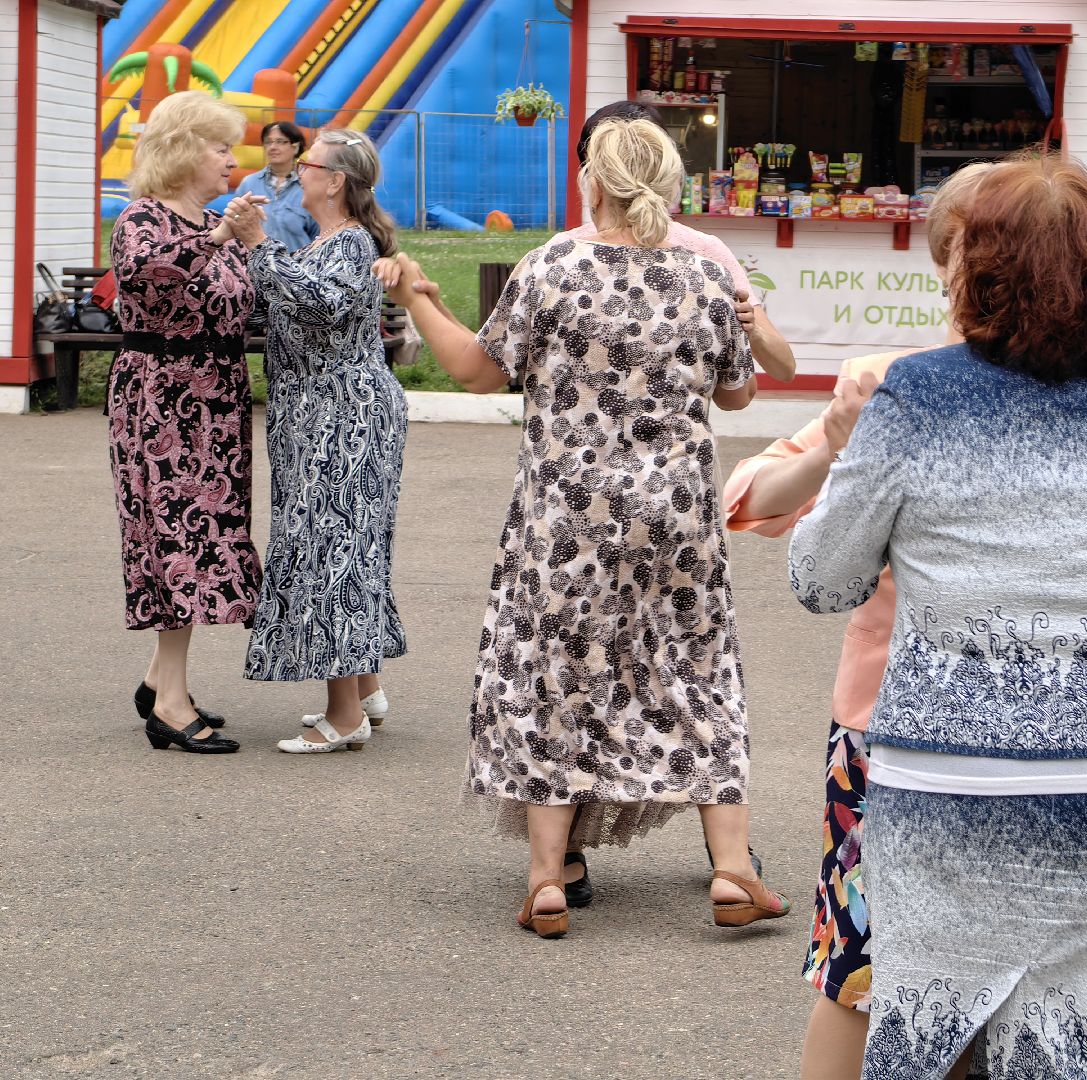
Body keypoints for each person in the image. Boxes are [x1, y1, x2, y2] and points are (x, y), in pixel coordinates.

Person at [727, 162, 1087, 1080]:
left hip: (958, 783)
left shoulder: (917, 399)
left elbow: (823, 581)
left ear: (974, 270)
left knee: (926, 1031)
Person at [377, 117, 790, 938]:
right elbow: (738, 395)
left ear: (590, 182)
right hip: (676, 512)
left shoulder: (551, 268)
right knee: (695, 667)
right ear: (669, 184)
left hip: (567, 513)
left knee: (555, 674)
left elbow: (473, 371)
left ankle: (546, 881)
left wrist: (417, 296)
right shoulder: (704, 279)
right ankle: (733, 869)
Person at [227, 130, 408, 754]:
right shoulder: (330, 241)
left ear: (335, 182)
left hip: (341, 417)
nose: (298, 171)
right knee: (347, 544)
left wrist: (258, 245)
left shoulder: (351, 244)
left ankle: (345, 717)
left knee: (334, 549)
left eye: (309, 164)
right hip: (320, 414)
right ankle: (365, 688)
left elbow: (315, 305)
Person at [108, 90, 268, 755]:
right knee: (175, 539)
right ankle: (169, 706)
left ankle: (160, 681)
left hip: (216, 399)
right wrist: (219, 238)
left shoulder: (205, 217)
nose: (234, 160)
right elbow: (151, 284)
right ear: (183, 149)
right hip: (161, 400)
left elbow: (243, 304)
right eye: (221, 146)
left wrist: (252, 246)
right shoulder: (141, 218)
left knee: (207, 540)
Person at [564, 101, 796, 383]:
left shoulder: (553, 260)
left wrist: (751, 327)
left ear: (591, 180)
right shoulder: (561, 254)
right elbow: (741, 394)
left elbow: (783, 367)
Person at [233, 121, 317, 251]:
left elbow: (319, 235)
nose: (272, 147)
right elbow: (234, 226)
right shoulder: (248, 184)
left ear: (295, 147)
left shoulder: (308, 186)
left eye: (280, 141)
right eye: (268, 142)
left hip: (295, 268)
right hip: (252, 266)